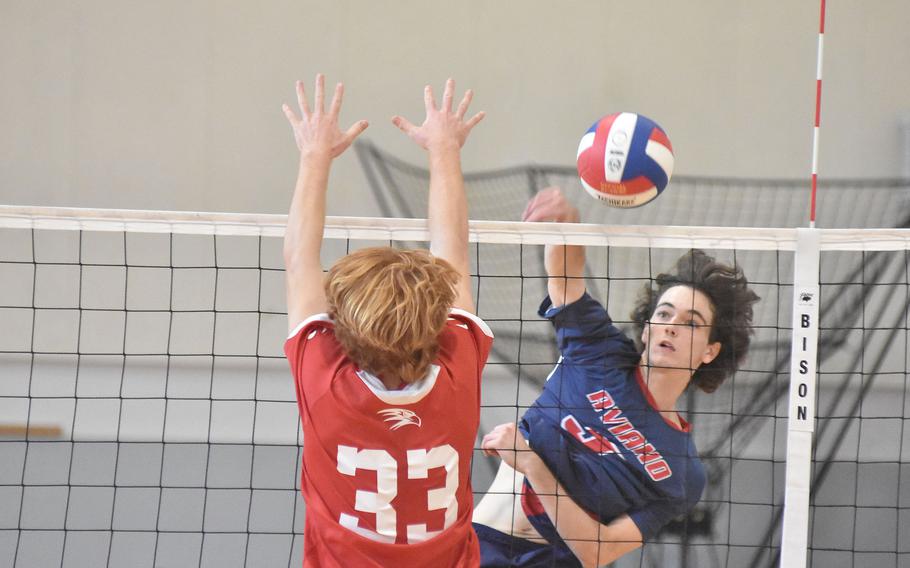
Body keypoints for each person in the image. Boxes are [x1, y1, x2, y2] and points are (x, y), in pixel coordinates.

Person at [473, 187, 760, 567]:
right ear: (646, 328)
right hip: (478, 546)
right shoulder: (599, 352)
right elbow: (565, 281)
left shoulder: (682, 472)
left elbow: (597, 551)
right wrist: (567, 226)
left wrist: (531, 463)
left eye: (691, 323)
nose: (671, 327)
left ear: (711, 351)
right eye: (665, 314)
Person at [282, 75, 491, 567]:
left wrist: (314, 154)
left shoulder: (323, 380)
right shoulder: (460, 369)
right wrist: (445, 150)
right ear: (437, 320)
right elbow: (452, 248)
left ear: (341, 328)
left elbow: (298, 257)